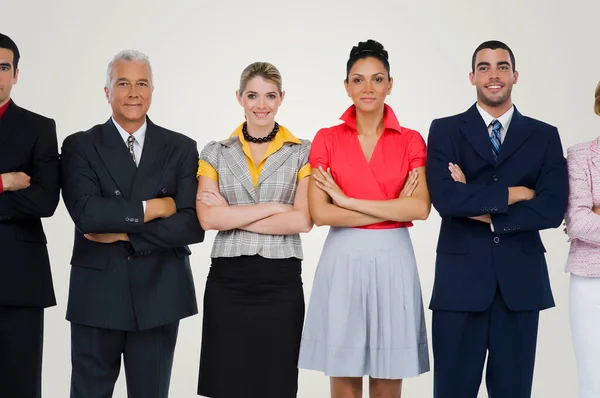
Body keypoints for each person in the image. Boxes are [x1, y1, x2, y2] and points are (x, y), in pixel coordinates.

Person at [426, 40, 569, 398]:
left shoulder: (544, 135)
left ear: (515, 75)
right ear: (472, 76)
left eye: (502, 67)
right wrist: (518, 193)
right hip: (459, 286)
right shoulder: (444, 130)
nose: (494, 75)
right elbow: (445, 199)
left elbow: (552, 209)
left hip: (519, 286)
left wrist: (480, 208)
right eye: (485, 67)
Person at [60, 50, 205, 398]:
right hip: (97, 294)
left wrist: (124, 230)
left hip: (159, 294)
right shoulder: (80, 145)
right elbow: (88, 215)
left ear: (153, 89)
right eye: (123, 83)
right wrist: (154, 206)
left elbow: (191, 225)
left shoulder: (181, 148)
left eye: (141, 83)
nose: (133, 92)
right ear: (107, 91)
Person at [298, 39, 431, 398]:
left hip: (393, 259)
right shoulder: (326, 139)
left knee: (389, 376)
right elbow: (322, 213)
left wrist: (347, 199)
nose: (367, 88)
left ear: (390, 84)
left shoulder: (411, 140)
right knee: (343, 373)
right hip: (343, 258)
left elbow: (420, 208)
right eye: (358, 80)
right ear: (346, 86)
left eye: (377, 79)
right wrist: (390, 206)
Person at [195, 61, 312, 398]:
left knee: (275, 384)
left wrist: (231, 212)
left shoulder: (303, 150)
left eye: (270, 96)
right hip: (227, 281)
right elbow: (208, 219)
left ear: (281, 98)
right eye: (253, 95)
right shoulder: (215, 151)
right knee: (225, 384)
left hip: (281, 283)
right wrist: (276, 207)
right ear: (239, 98)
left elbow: (302, 220)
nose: (261, 105)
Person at [0, 32, 60, 398]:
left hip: (19, 277)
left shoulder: (39, 127)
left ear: (16, 74)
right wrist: (5, 182)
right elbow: (26, 197)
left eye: (3, 66)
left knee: (20, 386)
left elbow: (45, 202)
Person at [564, 81, 600, 398]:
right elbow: (578, 220)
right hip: (591, 280)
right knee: (593, 380)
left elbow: (592, 217)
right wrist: (590, 212)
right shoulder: (579, 156)